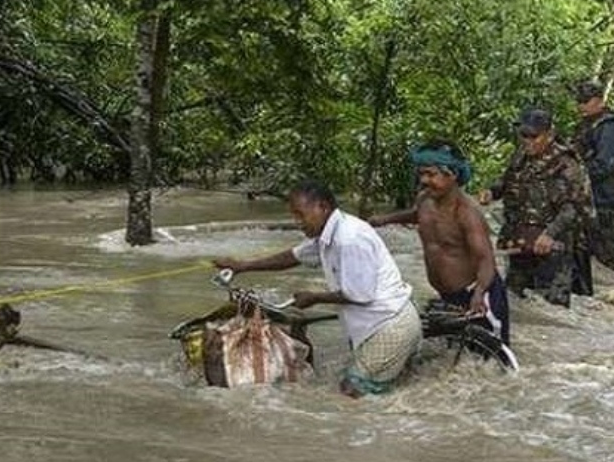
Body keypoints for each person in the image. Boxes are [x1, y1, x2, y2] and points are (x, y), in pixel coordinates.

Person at [212, 180, 422, 398]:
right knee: (387, 394)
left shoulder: (349, 238)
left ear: (322, 207)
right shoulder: (328, 235)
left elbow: (360, 294)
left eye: (300, 215)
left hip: (389, 327)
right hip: (384, 323)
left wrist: (314, 298)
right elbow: (293, 257)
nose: (297, 222)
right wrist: (242, 266)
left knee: (351, 393)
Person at [366, 139, 511, 345]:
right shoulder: (425, 199)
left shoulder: (467, 213)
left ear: (451, 175)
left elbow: (486, 261)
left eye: (431, 174)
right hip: (447, 295)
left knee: (491, 357)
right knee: (451, 354)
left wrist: (478, 294)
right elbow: (418, 215)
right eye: (422, 173)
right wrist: (384, 220)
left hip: (476, 295)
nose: (424, 180)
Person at [477, 107, 591, 308]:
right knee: (514, 303)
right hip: (520, 242)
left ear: (549, 134)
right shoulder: (520, 156)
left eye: (533, 136)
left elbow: (573, 207)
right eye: (523, 135)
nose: (527, 141)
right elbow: (506, 182)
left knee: (551, 311)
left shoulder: (566, 163)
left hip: (551, 248)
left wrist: (550, 234)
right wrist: (491, 192)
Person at [571, 81, 614, 277]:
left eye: (585, 101)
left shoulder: (608, 127)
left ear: (598, 101)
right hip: (587, 196)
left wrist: (576, 176)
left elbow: (605, 164)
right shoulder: (586, 124)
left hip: (605, 196)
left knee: (605, 254)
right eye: (578, 101)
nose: (580, 105)